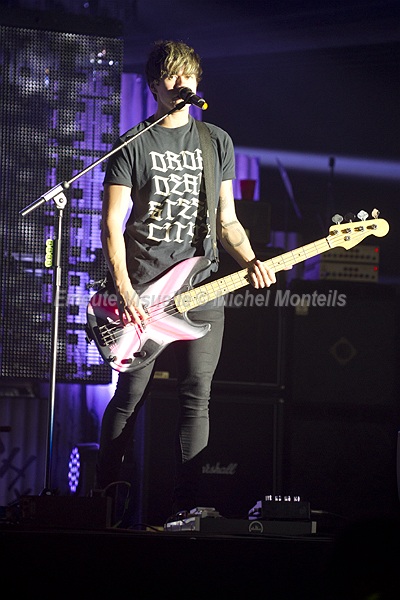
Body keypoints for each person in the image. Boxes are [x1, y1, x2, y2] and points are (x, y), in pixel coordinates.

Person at [96, 39, 277, 522]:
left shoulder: (216, 141)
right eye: (172, 76)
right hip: (144, 293)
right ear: (155, 86)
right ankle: (103, 500)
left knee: (198, 397)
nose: (182, 83)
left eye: (189, 75)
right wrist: (126, 291)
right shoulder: (133, 144)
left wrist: (252, 260)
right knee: (129, 397)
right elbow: (111, 225)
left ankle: (186, 509)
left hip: (201, 288)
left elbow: (227, 220)